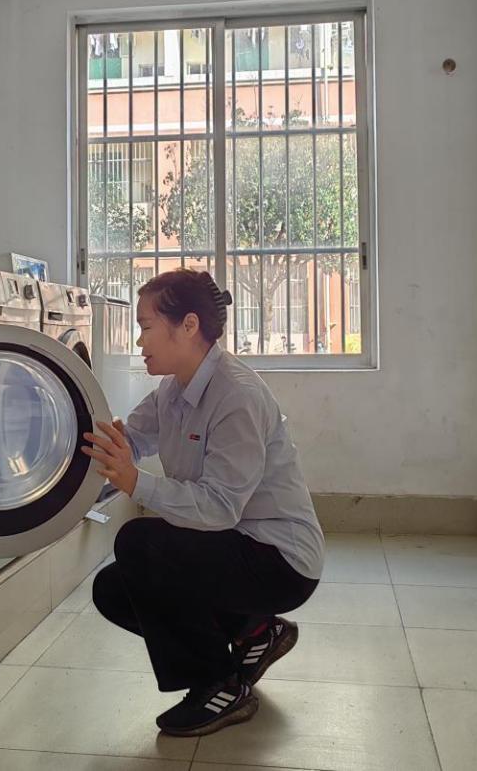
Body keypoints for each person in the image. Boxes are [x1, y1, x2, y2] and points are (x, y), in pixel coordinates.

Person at [81, 268, 325, 737]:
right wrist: (82, 444)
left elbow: (219, 507)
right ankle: (254, 630)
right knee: (112, 589)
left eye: (146, 326)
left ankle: (219, 684)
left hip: (279, 562)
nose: (139, 341)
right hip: (230, 544)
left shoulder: (237, 396)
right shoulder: (173, 388)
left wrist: (136, 483)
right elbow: (132, 439)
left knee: (139, 543)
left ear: (189, 325)